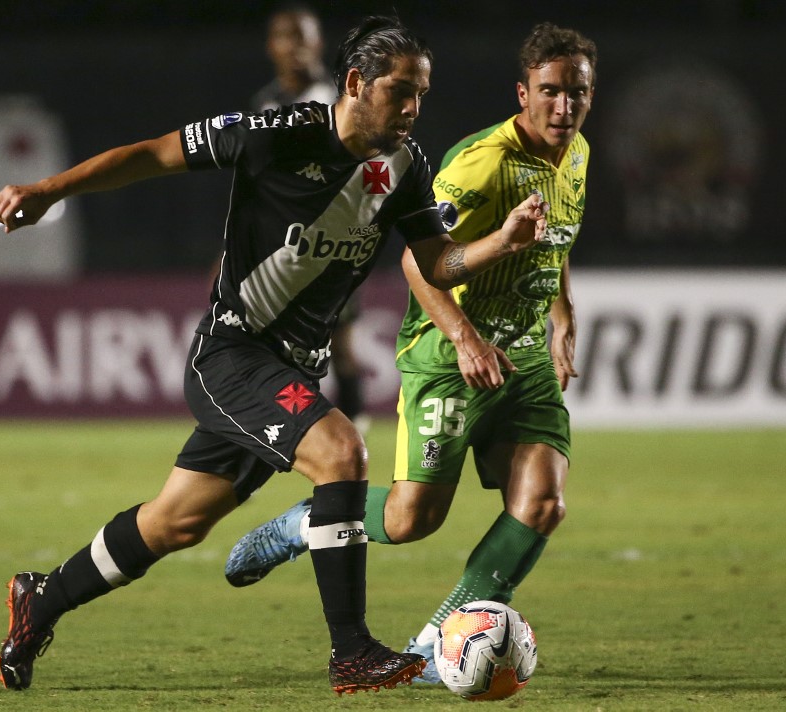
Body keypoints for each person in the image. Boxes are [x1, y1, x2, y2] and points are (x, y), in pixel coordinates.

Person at [0, 14, 550, 696]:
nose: (412, 108)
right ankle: (352, 651)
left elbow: (436, 262)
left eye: (421, 94)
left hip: (292, 366)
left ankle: (41, 598)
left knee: (175, 521)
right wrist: (47, 191)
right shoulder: (276, 134)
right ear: (356, 83)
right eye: (400, 91)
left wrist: (501, 243)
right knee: (342, 451)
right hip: (234, 352)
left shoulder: (405, 166)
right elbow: (154, 154)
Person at [224, 21, 596, 682]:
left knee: (543, 503)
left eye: (578, 93)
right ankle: (308, 522)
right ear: (523, 93)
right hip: (450, 359)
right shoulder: (481, 163)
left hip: (524, 361)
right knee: (410, 519)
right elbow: (418, 262)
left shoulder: (578, 153)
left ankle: (436, 645)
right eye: (551, 91)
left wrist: (562, 314)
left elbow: (555, 238)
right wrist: (465, 338)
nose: (564, 106)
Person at [250, 3, 369, 433]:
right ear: (272, 46)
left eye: (303, 36)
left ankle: (353, 431)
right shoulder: (265, 103)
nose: (295, 47)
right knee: (278, 350)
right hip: (276, 247)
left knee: (339, 345)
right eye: (287, 37)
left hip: (328, 243)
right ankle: (295, 430)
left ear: (318, 42)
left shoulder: (337, 99)